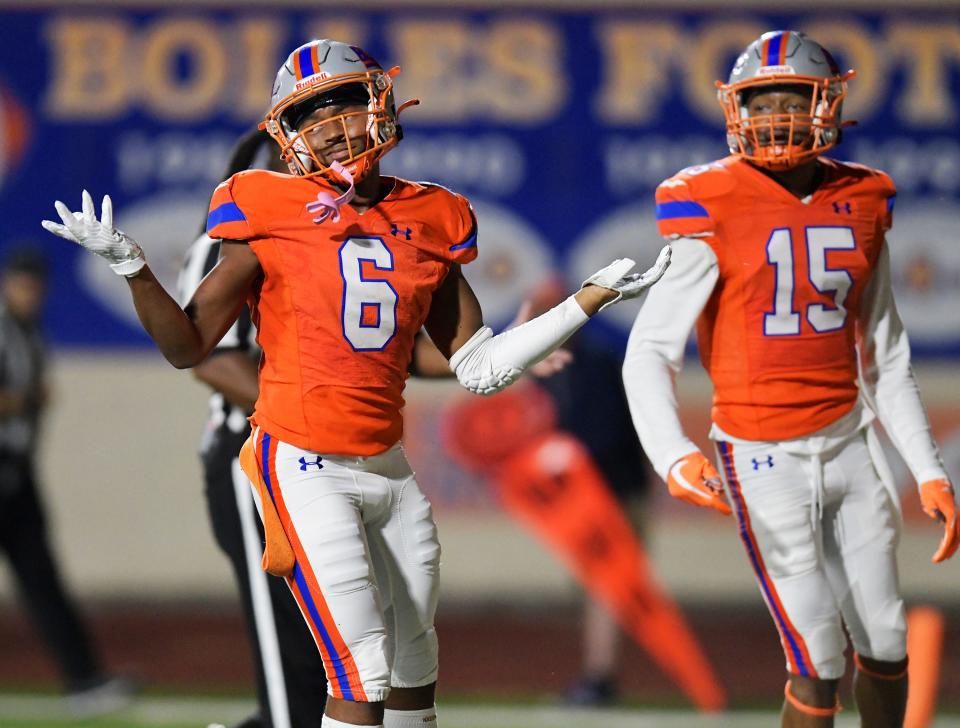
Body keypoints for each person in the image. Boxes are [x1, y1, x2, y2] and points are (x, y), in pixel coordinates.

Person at [41, 39, 670, 728]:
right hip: (304, 466)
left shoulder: (435, 215)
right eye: (312, 115)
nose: (331, 127)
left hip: (389, 469)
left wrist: (586, 300)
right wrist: (134, 267)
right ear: (287, 133)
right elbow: (188, 347)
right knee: (360, 669)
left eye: (342, 105)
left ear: (381, 104)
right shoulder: (263, 205)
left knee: (415, 667)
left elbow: (480, 368)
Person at [621, 30, 958, 728]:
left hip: (850, 440)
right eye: (759, 100)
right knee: (817, 660)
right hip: (760, 454)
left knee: (888, 643)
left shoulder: (864, 196)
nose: (774, 114)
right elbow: (649, 349)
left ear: (826, 103)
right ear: (733, 109)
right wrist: (674, 454)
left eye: (790, 98)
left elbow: (885, 350)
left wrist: (927, 469)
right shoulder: (707, 198)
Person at [0, 247, 137, 717]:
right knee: (42, 580)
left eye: (35, 285)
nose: (29, 293)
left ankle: (84, 678)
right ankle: (83, 677)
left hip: (16, 476)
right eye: (22, 284)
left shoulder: (29, 334)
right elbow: (18, 399)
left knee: (43, 581)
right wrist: (20, 401)